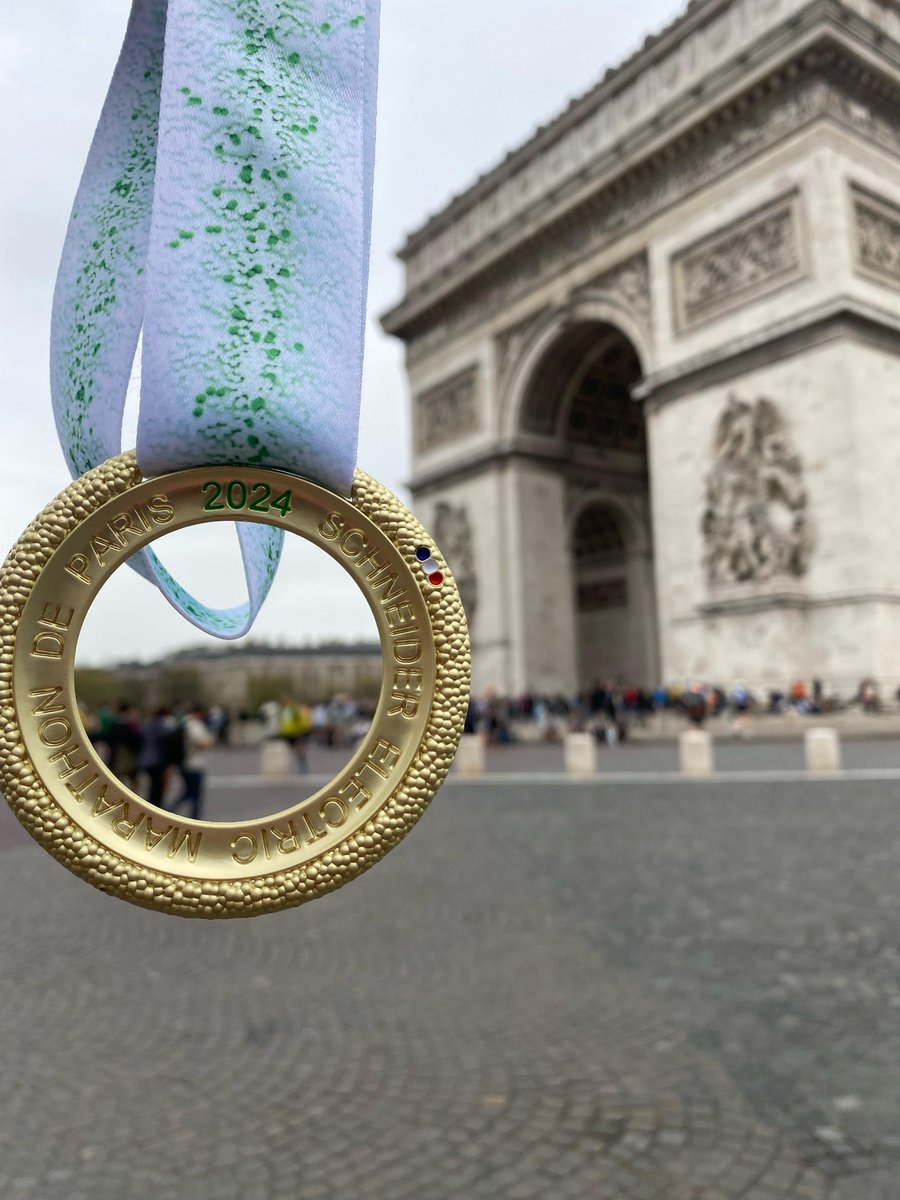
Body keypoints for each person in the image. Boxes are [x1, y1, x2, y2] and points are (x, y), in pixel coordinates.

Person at [171, 705, 213, 821]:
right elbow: (201, 743)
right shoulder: (195, 726)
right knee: (195, 794)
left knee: (188, 792)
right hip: (194, 764)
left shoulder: (182, 723)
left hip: (182, 762)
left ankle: (170, 808)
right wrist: (209, 742)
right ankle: (195, 818)